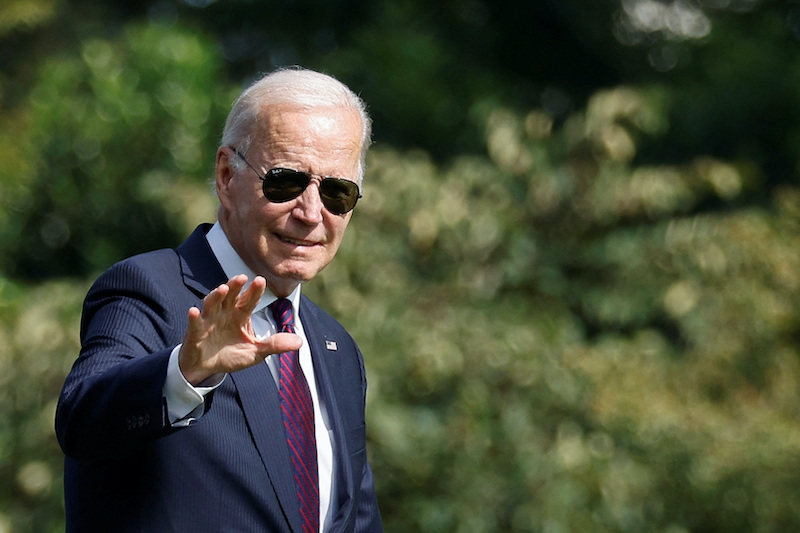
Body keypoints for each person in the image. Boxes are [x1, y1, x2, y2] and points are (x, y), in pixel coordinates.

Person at [55, 67, 383, 533]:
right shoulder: (148, 289)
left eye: (337, 192)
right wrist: (185, 371)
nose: (312, 214)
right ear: (227, 176)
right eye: (286, 182)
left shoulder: (337, 347)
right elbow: (81, 422)